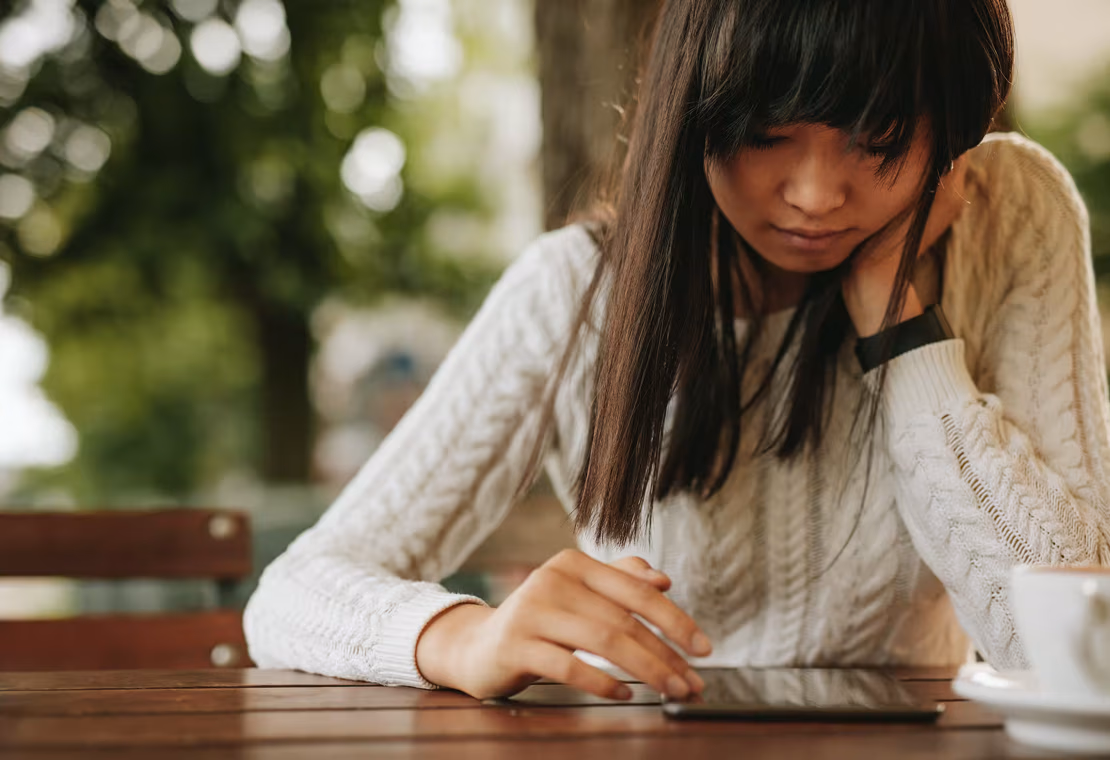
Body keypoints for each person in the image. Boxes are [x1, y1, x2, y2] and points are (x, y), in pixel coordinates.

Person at [243, 0, 1110, 704]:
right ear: (695, 110)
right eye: (767, 132)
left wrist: (904, 334)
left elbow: (1079, 643)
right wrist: (464, 637)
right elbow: (292, 593)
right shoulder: (575, 293)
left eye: (877, 135)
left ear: (949, 134)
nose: (815, 195)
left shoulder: (1010, 214)